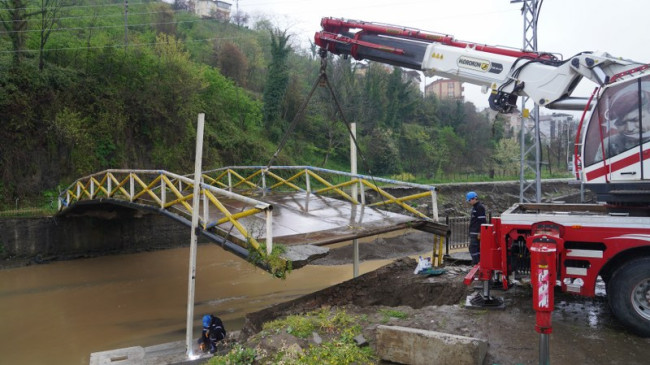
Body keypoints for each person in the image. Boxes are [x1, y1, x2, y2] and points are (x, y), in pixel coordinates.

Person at [466, 191, 487, 265]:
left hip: (476, 232)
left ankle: (476, 263)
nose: (469, 202)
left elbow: (482, 221)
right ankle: (478, 263)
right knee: (476, 248)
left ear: (474, 199)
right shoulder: (475, 207)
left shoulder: (479, 207)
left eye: (469, 200)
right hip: (474, 232)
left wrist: (480, 232)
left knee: (473, 248)